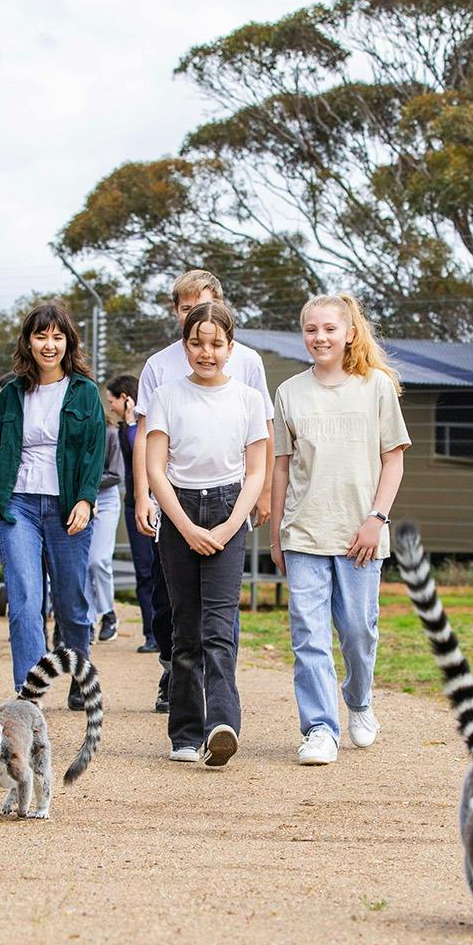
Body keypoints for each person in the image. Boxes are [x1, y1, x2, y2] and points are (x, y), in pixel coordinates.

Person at [269, 293, 410, 766]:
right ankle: (319, 729)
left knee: (356, 632)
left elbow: (394, 459)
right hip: (305, 533)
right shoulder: (289, 392)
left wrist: (377, 520)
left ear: (349, 332)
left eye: (330, 329)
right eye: (311, 329)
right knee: (308, 634)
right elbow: (282, 470)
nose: (320, 337)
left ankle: (360, 699)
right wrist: (276, 536)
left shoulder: (377, 387)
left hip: (360, 538)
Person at [133, 269, 273, 713]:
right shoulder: (161, 371)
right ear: (178, 315)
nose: (206, 349)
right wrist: (144, 495)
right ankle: (176, 686)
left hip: (230, 496)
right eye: (187, 309)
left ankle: (221, 712)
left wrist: (260, 495)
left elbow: (261, 437)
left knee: (219, 619)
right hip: (176, 499)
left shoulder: (247, 365)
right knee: (175, 611)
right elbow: (147, 443)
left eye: (205, 305)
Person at [0, 301, 107, 696]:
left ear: (68, 342)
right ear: (29, 342)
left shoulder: (85, 393)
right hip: (17, 505)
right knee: (24, 599)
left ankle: (78, 675)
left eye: (57, 336)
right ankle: (29, 693)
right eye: (41, 336)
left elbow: (94, 450)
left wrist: (86, 500)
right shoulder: (11, 395)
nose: (49, 345)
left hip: (67, 505)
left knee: (71, 603)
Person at [106, 374, 158, 653]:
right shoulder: (125, 428)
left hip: (159, 502)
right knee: (143, 570)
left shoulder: (147, 422)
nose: (110, 405)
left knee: (161, 571)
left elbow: (142, 445)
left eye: (112, 400)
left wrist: (131, 419)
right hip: (134, 503)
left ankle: (167, 633)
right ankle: (151, 633)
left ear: (126, 399)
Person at [86, 417, 124, 643]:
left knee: (98, 560)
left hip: (105, 498)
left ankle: (108, 613)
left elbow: (116, 474)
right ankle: (88, 621)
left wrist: (86, 482)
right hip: (76, 498)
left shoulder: (110, 434)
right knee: (81, 564)